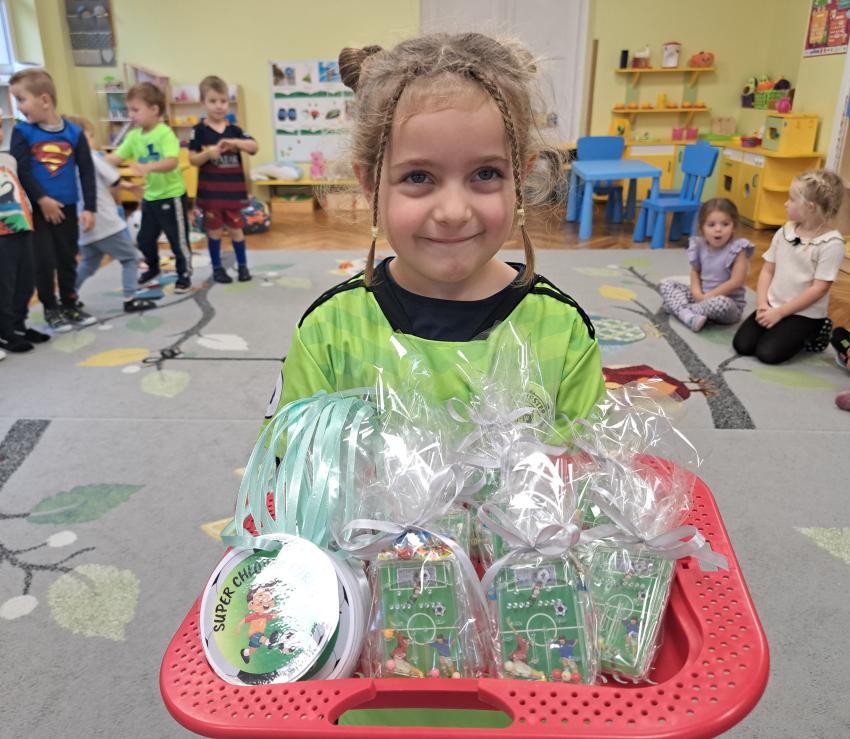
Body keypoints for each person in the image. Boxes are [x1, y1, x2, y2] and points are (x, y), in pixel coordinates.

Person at [262, 33, 604, 440]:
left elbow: (588, 464)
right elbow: (286, 460)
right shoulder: (329, 332)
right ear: (371, 186)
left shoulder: (563, 331)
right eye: (418, 177)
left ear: (521, 178)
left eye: (486, 174)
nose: (453, 212)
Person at [9, 68, 97, 332]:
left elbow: (87, 171)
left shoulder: (74, 133)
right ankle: (50, 308)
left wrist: (89, 208)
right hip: (38, 210)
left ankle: (69, 303)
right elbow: (21, 170)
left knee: (67, 258)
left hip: (67, 207)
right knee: (44, 261)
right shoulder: (23, 132)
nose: (19, 106)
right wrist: (42, 199)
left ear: (44, 100)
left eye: (21, 99)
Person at [733, 170, 845, 365]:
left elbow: (819, 289)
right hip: (773, 304)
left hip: (804, 313)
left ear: (810, 207)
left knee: (767, 354)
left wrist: (780, 313)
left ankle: (818, 331)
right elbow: (767, 270)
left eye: (792, 199)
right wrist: (762, 303)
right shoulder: (785, 231)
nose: (786, 203)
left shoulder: (831, 244)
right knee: (743, 345)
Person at [107, 82, 192, 293]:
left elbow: (171, 162)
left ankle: (184, 273)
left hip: (171, 196)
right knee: (144, 239)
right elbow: (116, 158)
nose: (131, 115)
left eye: (135, 110)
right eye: (129, 110)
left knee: (177, 239)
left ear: (154, 109)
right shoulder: (133, 137)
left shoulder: (165, 133)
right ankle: (153, 268)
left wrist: (147, 167)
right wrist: (93, 159)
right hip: (150, 198)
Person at [65, 116, 156, 314]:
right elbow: (112, 178)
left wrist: (127, 186)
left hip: (83, 225)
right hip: (104, 222)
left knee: (88, 264)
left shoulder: (67, 163)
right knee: (130, 258)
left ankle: (67, 297)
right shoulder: (89, 156)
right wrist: (129, 186)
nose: (92, 141)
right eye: (90, 137)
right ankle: (130, 299)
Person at [188, 75, 258, 284]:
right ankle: (217, 269)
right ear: (203, 102)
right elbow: (192, 159)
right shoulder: (198, 130)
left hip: (233, 194)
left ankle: (243, 266)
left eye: (223, 101)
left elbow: (254, 147)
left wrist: (235, 143)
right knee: (215, 232)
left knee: (237, 230)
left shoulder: (235, 130)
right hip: (211, 195)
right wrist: (208, 154)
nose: (219, 106)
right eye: (213, 101)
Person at [660, 198, 754, 332]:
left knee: (721, 303)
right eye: (711, 225)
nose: (718, 229)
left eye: (725, 224)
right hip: (701, 297)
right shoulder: (700, 245)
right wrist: (697, 294)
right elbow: (695, 271)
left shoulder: (738, 249)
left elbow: (736, 282)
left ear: (733, 226)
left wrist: (707, 297)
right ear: (702, 228)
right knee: (668, 285)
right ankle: (689, 315)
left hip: (727, 305)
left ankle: (681, 310)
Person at [0, 126, 50, 354]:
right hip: (2, 234)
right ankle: (5, 332)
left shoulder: (8, 159)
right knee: (5, 284)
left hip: (22, 226)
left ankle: (18, 325)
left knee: (26, 279)